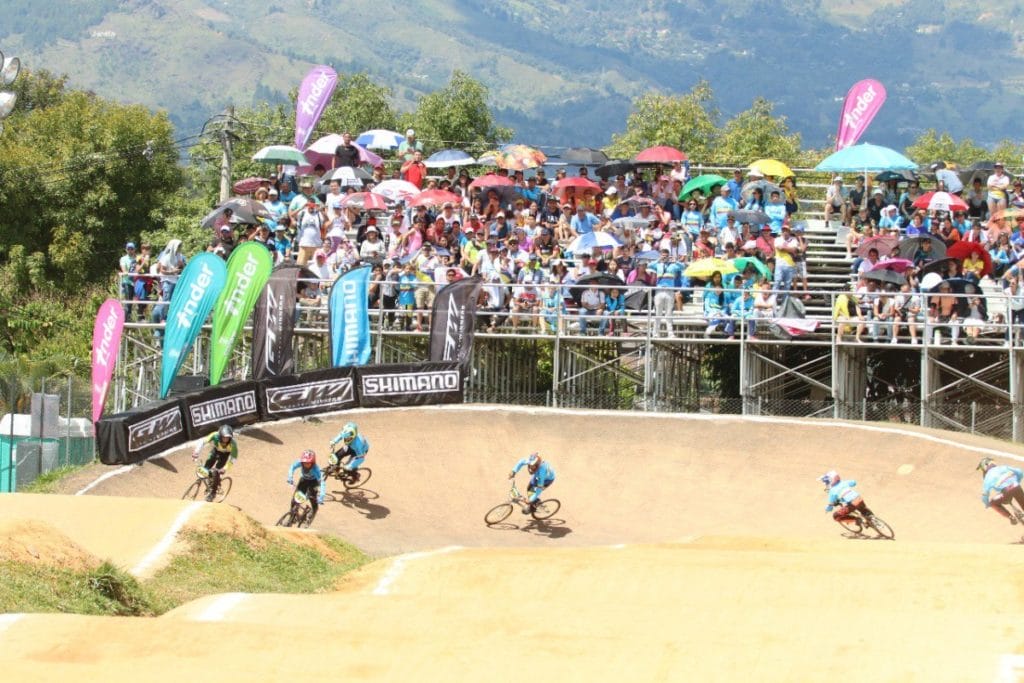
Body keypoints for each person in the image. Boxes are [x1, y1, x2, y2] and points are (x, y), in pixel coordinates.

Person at [191, 425, 238, 502]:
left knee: (216, 472)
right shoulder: (215, 435)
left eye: (228, 438)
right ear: (220, 436)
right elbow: (202, 441)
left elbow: (233, 458)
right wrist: (196, 452)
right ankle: (210, 479)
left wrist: (225, 468)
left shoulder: (233, 444)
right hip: (215, 451)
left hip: (225, 455)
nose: (226, 439)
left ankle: (213, 493)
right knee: (206, 467)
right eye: (224, 437)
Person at [977, 457, 1024, 524]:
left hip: (1006, 492)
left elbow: (985, 495)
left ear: (985, 466)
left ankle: (1011, 517)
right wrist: (1016, 482)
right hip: (1017, 487)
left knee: (993, 503)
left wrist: (986, 504)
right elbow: (1020, 472)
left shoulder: (987, 477)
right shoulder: (1004, 467)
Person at [287, 449, 326, 524]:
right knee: (294, 500)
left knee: (312, 499)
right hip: (304, 480)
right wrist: (290, 477)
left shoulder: (316, 469)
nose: (305, 465)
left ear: (313, 462)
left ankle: (314, 510)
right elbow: (292, 467)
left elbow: (322, 482)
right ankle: (291, 516)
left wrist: (322, 495)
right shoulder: (300, 462)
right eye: (304, 463)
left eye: (308, 463)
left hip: (313, 483)